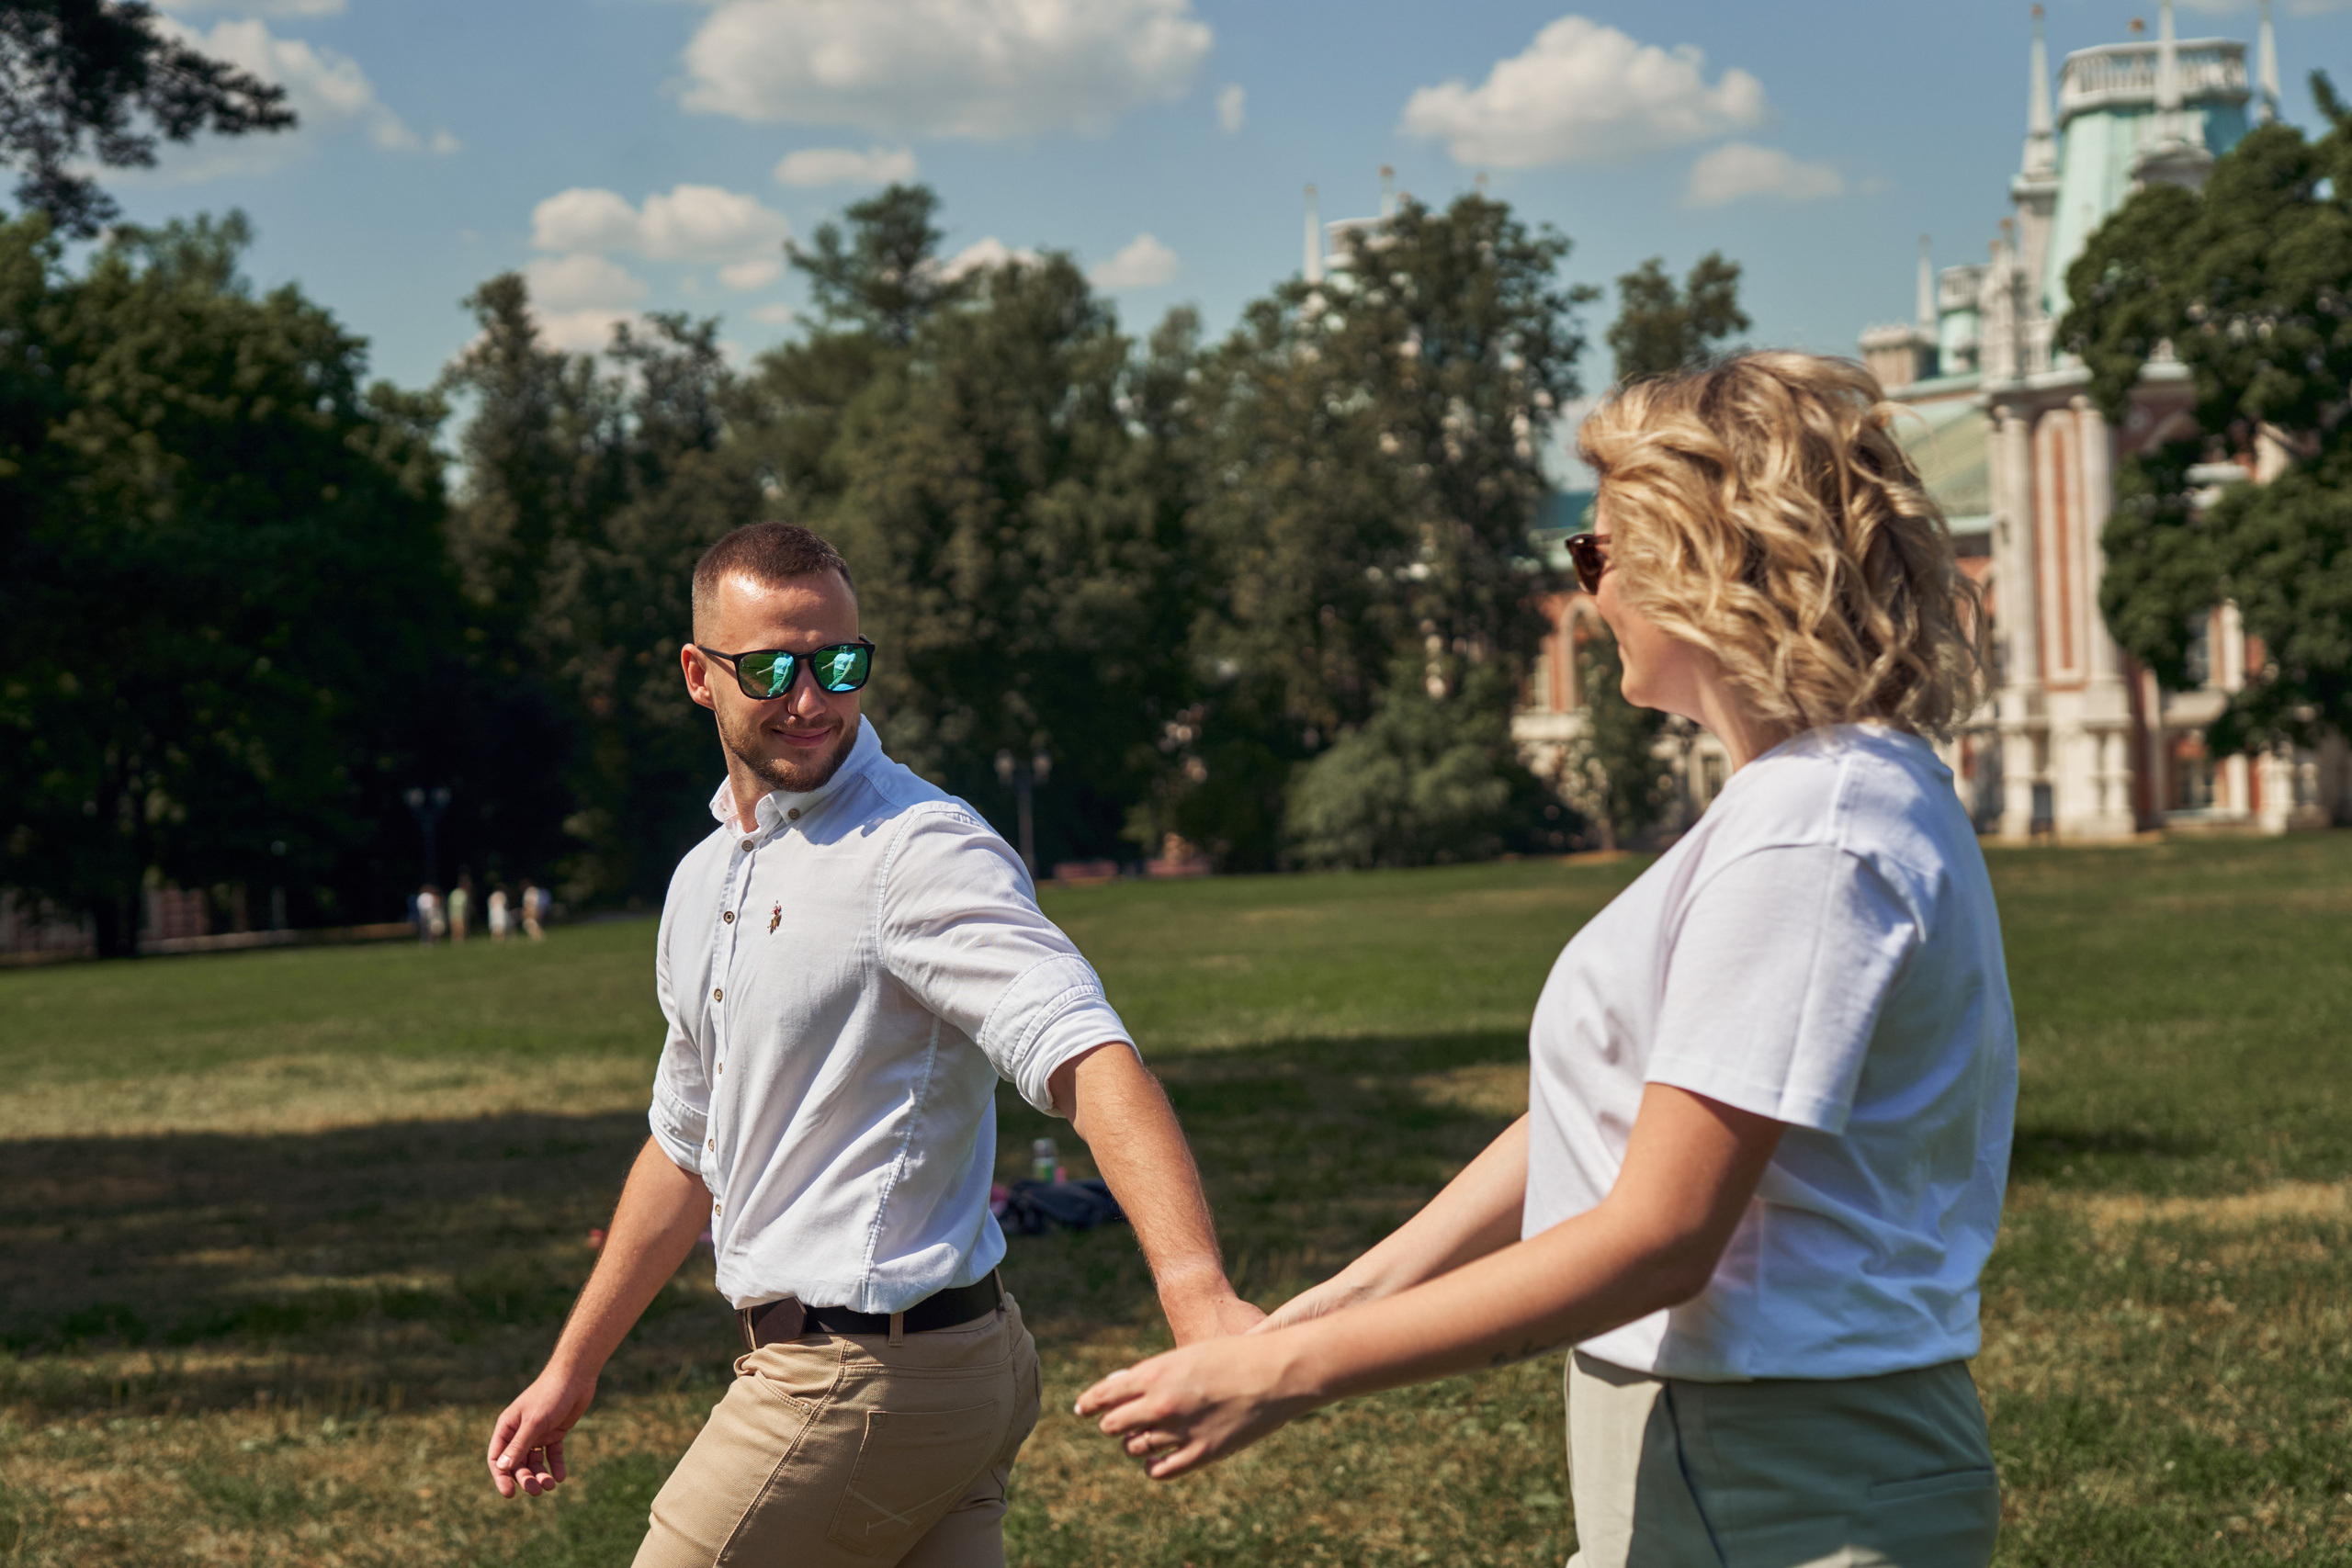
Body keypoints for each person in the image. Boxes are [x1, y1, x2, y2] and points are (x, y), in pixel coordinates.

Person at [1077, 352, 2017, 1568]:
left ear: (1699, 553)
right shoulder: (1805, 803)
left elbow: (1662, 1229)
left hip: (1781, 1474)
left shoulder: (1814, 830)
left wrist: (1292, 1371)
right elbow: (1600, 1119)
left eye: (1597, 551)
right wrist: (1316, 1313)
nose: (1590, 591)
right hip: (1739, 1460)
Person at [485, 521, 1261, 1567]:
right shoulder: (704, 878)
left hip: (862, 1379)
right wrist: (572, 1369)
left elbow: (1087, 1054)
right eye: (771, 668)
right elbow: (686, 1146)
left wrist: (1196, 1294)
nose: (811, 698)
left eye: (839, 662)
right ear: (696, 675)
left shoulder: (919, 850)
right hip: (938, 1368)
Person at [448, 876, 471, 942]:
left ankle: (459, 940)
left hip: (457, 913)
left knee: (458, 927)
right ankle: (457, 940)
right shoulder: (462, 894)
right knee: (458, 927)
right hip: (457, 912)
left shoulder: (454, 893)